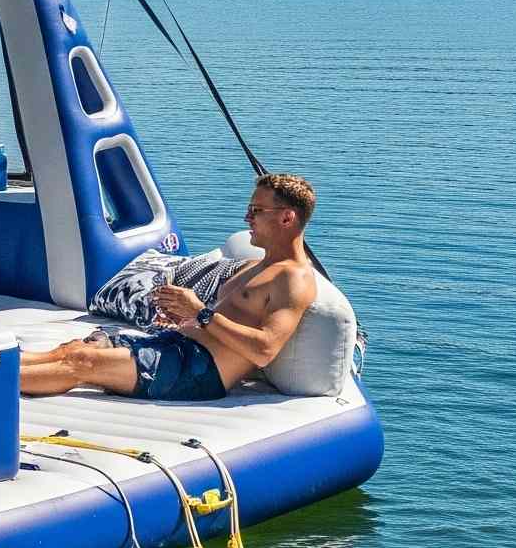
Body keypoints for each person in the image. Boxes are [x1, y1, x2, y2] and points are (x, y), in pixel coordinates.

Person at [20, 173, 320, 403]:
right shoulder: (255, 266)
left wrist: (200, 313)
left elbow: (265, 350)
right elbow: (222, 320)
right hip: (175, 346)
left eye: (256, 210)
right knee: (75, 348)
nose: (247, 217)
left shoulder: (294, 278)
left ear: (286, 217)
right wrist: (184, 318)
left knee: (82, 362)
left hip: (197, 372)